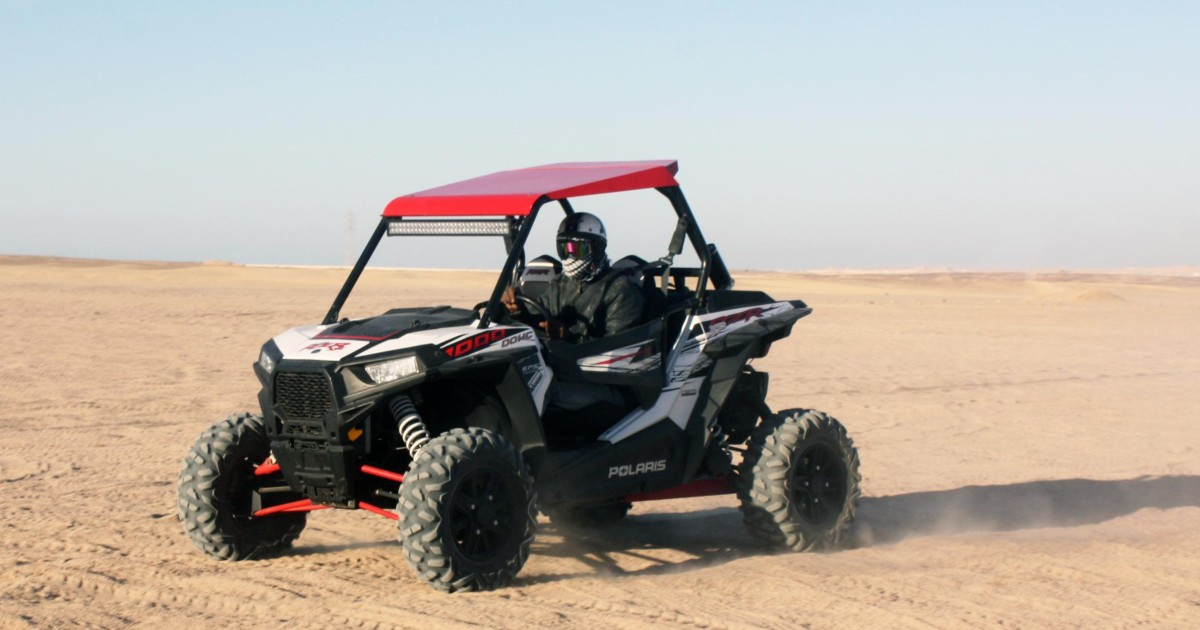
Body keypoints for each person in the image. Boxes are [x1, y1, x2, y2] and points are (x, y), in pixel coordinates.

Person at [503, 212, 643, 343]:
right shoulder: (560, 284)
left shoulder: (620, 290)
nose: (570, 256)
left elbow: (618, 347)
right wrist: (517, 311)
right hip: (555, 361)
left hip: (590, 366)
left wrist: (569, 337)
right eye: (564, 250)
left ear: (597, 248)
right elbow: (538, 318)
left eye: (577, 249)